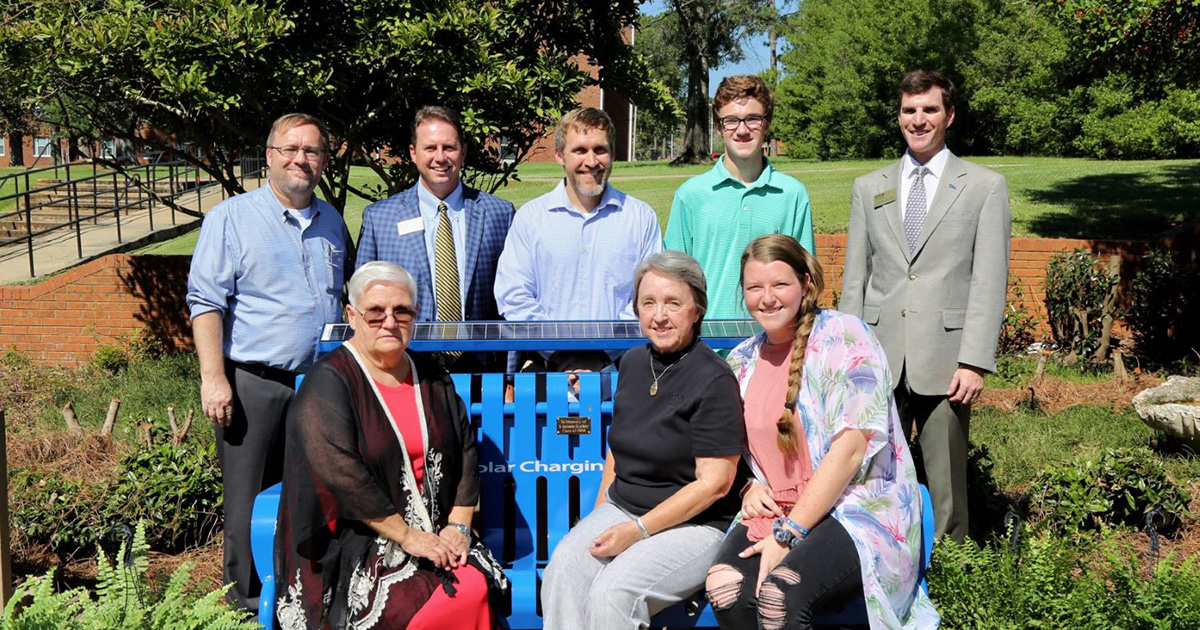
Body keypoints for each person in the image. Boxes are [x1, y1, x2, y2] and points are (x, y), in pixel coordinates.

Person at [706, 234, 939, 630]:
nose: (767, 298)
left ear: (806, 285)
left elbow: (850, 450)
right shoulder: (741, 360)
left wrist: (788, 535)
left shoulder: (845, 336)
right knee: (726, 588)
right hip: (773, 508)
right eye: (754, 287)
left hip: (853, 508)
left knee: (780, 596)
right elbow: (732, 448)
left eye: (780, 284)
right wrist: (747, 486)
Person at [274, 261, 508, 630]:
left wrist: (459, 527)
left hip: (437, 531)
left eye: (401, 311)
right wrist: (408, 536)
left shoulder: (432, 376)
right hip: (361, 536)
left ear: (414, 316)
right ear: (352, 316)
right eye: (375, 312)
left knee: (474, 584)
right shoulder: (329, 384)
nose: (389, 321)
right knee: (424, 606)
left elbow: (465, 452)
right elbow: (341, 476)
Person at [186, 113, 351, 611]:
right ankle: (246, 603)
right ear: (270, 155)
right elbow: (205, 301)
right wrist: (214, 379)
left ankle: (298, 595)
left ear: (324, 160)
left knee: (312, 496)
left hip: (319, 384)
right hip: (254, 383)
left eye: (313, 151)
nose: (301, 159)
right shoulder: (231, 218)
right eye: (290, 149)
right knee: (247, 500)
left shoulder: (332, 222)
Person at [839, 70, 1011, 542]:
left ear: (949, 115)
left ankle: (951, 573)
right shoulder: (868, 186)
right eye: (909, 110)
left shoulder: (983, 187)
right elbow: (856, 278)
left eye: (929, 109)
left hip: (947, 358)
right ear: (899, 117)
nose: (919, 120)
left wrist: (974, 360)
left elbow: (989, 280)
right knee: (865, 474)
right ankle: (873, 557)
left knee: (947, 483)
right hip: (877, 356)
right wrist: (846, 357)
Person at [540, 251, 745, 629]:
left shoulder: (714, 380)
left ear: (697, 309)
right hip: (624, 509)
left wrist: (637, 532)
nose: (659, 315)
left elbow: (715, 484)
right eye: (648, 303)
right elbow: (617, 454)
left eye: (673, 303)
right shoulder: (632, 363)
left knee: (614, 593)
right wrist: (598, 517)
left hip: (696, 526)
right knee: (564, 567)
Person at [494, 107, 662, 372]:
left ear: (613, 154)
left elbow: (651, 297)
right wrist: (559, 352)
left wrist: (604, 354)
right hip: (548, 368)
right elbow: (514, 295)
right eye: (580, 150)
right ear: (560, 155)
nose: (592, 161)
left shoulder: (640, 218)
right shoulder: (531, 218)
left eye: (600, 149)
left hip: (622, 368)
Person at [356, 106, 515, 371]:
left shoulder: (499, 214)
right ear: (413, 153)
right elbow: (363, 304)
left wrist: (511, 376)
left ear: (463, 151)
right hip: (404, 364)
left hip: (483, 368)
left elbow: (511, 301)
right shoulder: (379, 218)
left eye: (449, 147)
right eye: (430, 148)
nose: (440, 158)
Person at [664, 75, 815, 320]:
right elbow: (673, 281)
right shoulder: (691, 196)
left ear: (767, 123)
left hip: (774, 345)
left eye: (753, 119)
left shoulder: (792, 195)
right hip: (707, 346)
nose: (742, 130)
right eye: (731, 121)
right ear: (718, 126)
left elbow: (806, 281)